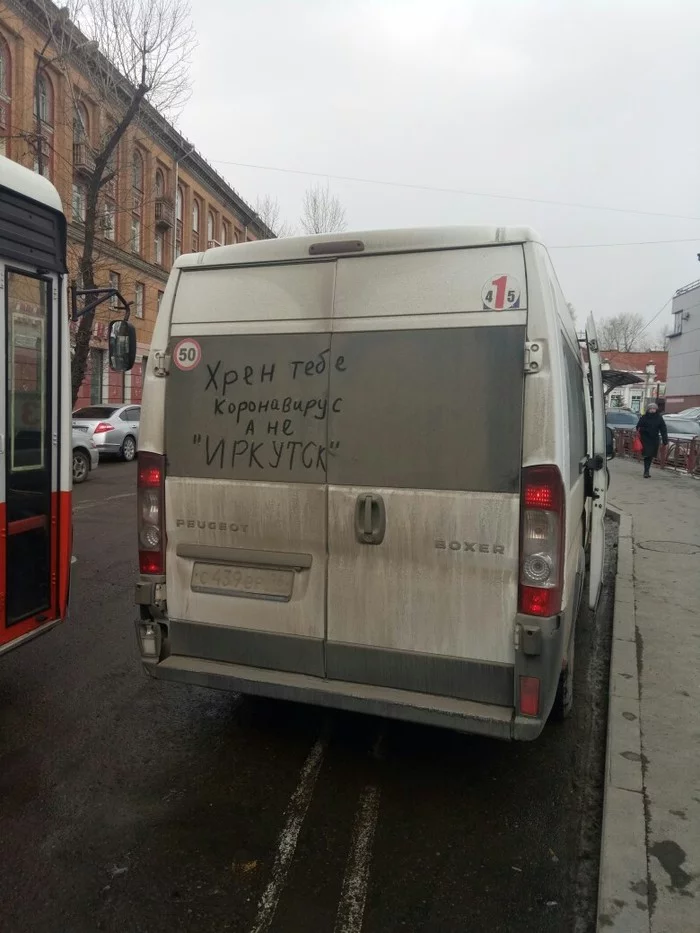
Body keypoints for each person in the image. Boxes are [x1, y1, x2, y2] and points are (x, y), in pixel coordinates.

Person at [636, 403, 668, 478]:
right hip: (645, 439)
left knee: (650, 455)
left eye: (654, 409)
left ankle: (647, 471)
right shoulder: (644, 417)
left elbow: (663, 428)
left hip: (654, 439)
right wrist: (645, 430)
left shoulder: (659, 418)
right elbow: (638, 427)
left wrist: (665, 439)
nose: (653, 410)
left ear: (656, 409)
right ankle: (646, 472)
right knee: (647, 455)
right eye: (651, 409)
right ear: (648, 409)